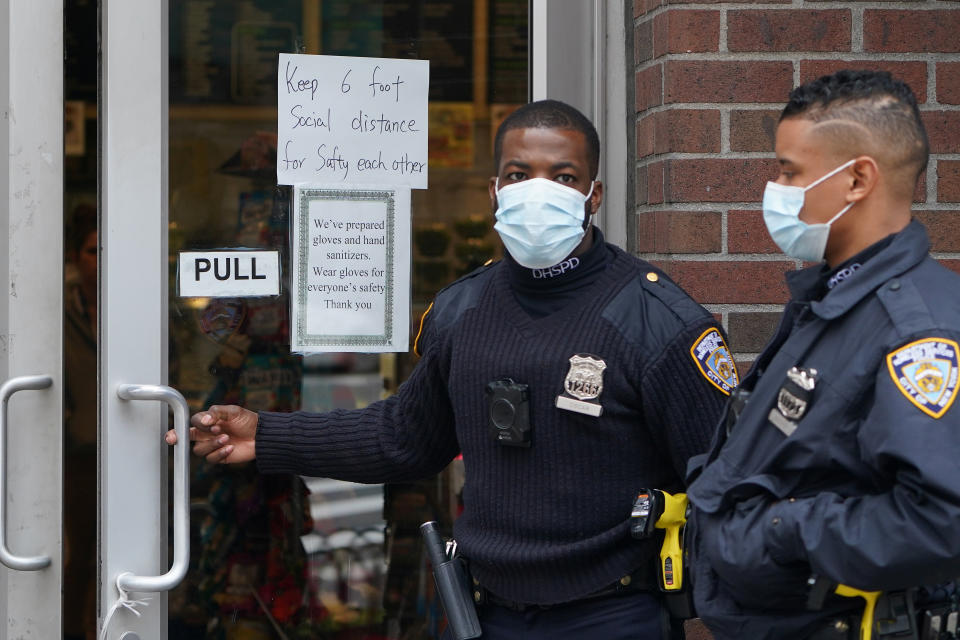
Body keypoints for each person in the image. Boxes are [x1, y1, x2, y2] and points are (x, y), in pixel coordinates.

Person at [168, 99, 735, 639]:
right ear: (494, 190)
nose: (537, 190)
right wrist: (266, 435)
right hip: (486, 613)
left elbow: (726, 482)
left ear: (594, 194)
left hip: (613, 615)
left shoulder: (657, 321)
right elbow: (403, 439)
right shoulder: (462, 310)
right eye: (518, 174)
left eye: (563, 177)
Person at [685, 70, 960, 640]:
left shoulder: (915, 332)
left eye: (790, 171)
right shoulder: (837, 299)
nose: (776, 187)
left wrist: (782, 530)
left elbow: (940, 520)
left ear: (857, 178)